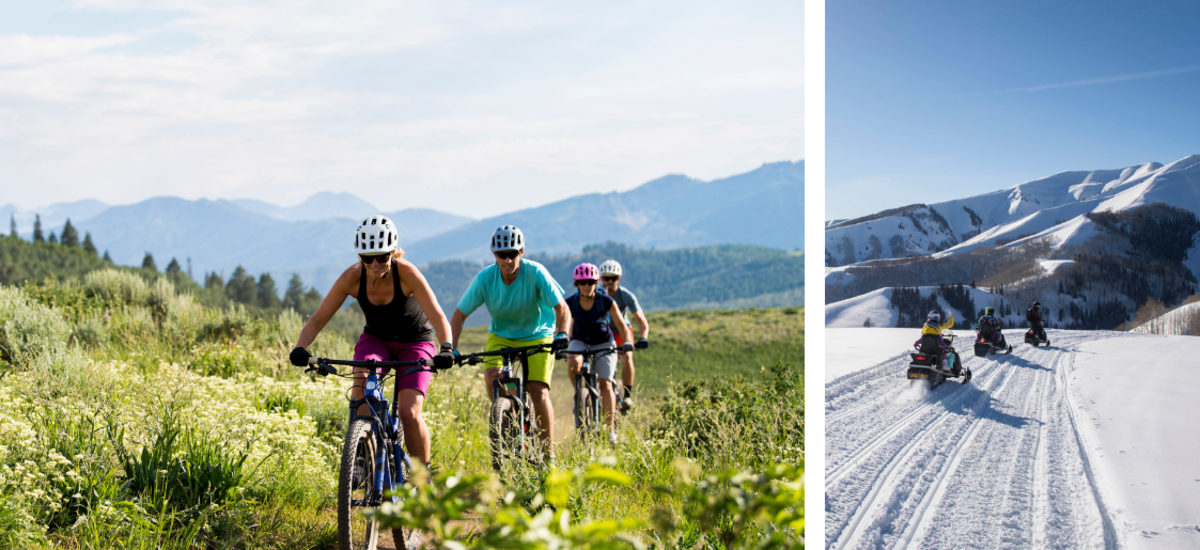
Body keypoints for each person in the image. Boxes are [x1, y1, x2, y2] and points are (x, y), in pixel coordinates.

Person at [289, 215, 455, 468]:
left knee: (409, 413)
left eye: (382, 256)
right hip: (376, 340)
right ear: (360, 257)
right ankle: (360, 458)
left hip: (415, 342)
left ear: (393, 253)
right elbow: (318, 320)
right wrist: (300, 347)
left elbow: (438, 315)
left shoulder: (407, 274)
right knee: (362, 385)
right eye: (368, 258)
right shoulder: (352, 278)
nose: (375, 263)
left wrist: (446, 348)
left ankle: (423, 480)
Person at [449, 225, 571, 460]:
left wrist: (562, 333)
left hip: (538, 334)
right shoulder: (485, 278)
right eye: (502, 254)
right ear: (494, 255)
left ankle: (549, 456)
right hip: (501, 335)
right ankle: (508, 418)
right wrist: (450, 347)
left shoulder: (535, 272)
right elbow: (459, 316)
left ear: (521, 253)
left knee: (538, 390)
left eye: (513, 254)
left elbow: (562, 308)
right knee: (493, 378)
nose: (508, 259)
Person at [564, 263, 635, 444]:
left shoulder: (606, 301)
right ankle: (579, 395)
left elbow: (622, 326)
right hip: (580, 341)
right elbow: (561, 324)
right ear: (577, 284)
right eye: (582, 282)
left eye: (590, 282)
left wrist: (626, 342)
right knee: (572, 361)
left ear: (596, 283)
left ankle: (610, 430)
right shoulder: (570, 303)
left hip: (604, 343)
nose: (587, 286)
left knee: (606, 383)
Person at [597, 260, 649, 414]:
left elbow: (641, 320)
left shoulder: (626, 296)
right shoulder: (595, 294)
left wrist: (643, 338)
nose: (610, 282)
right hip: (602, 331)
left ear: (619, 278)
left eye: (614, 278)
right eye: (606, 278)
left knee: (627, 357)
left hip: (621, 331)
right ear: (601, 279)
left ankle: (627, 395)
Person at [914, 310, 957, 374]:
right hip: (936, 348)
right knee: (946, 352)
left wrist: (917, 342)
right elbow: (950, 324)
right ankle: (946, 367)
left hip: (925, 347)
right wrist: (950, 315)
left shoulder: (926, 325)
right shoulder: (939, 325)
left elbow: (922, 335)